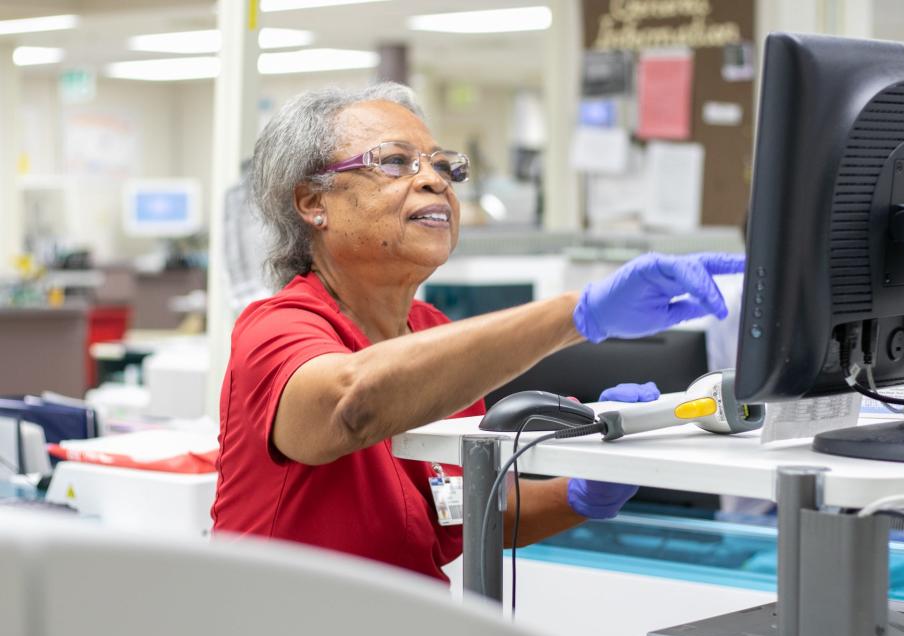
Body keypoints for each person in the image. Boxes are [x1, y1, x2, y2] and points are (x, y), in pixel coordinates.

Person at [211, 82, 744, 582]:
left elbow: (468, 509)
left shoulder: (431, 332)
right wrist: (576, 314)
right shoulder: (276, 327)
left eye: (444, 166)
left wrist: (583, 491)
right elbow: (349, 405)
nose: (434, 179)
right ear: (312, 202)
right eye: (395, 162)